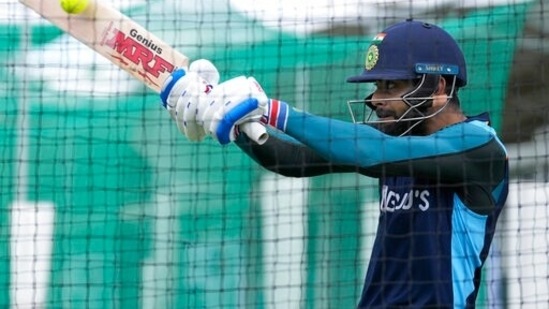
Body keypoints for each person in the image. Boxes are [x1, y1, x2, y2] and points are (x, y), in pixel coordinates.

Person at [160, 19, 509, 308]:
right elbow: (290, 160)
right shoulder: (400, 139)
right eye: (377, 86)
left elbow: (373, 152)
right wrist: (230, 122)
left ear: (439, 87)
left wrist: (270, 109)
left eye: (391, 85)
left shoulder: (478, 147)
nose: (375, 99)